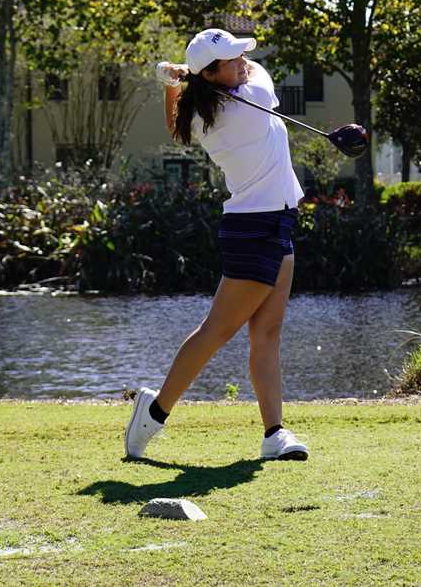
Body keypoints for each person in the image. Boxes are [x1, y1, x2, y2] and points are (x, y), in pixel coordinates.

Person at [124, 28, 310, 461]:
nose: (244, 60)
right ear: (211, 75)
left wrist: (177, 82)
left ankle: (273, 433)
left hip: (275, 219)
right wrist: (187, 75)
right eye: (233, 58)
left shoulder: (206, 109)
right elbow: (261, 73)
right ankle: (152, 413)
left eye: (241, 55)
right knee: (217, 331)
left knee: (266, 333)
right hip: (255, 228)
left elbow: (175, 124)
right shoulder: (252, 100)